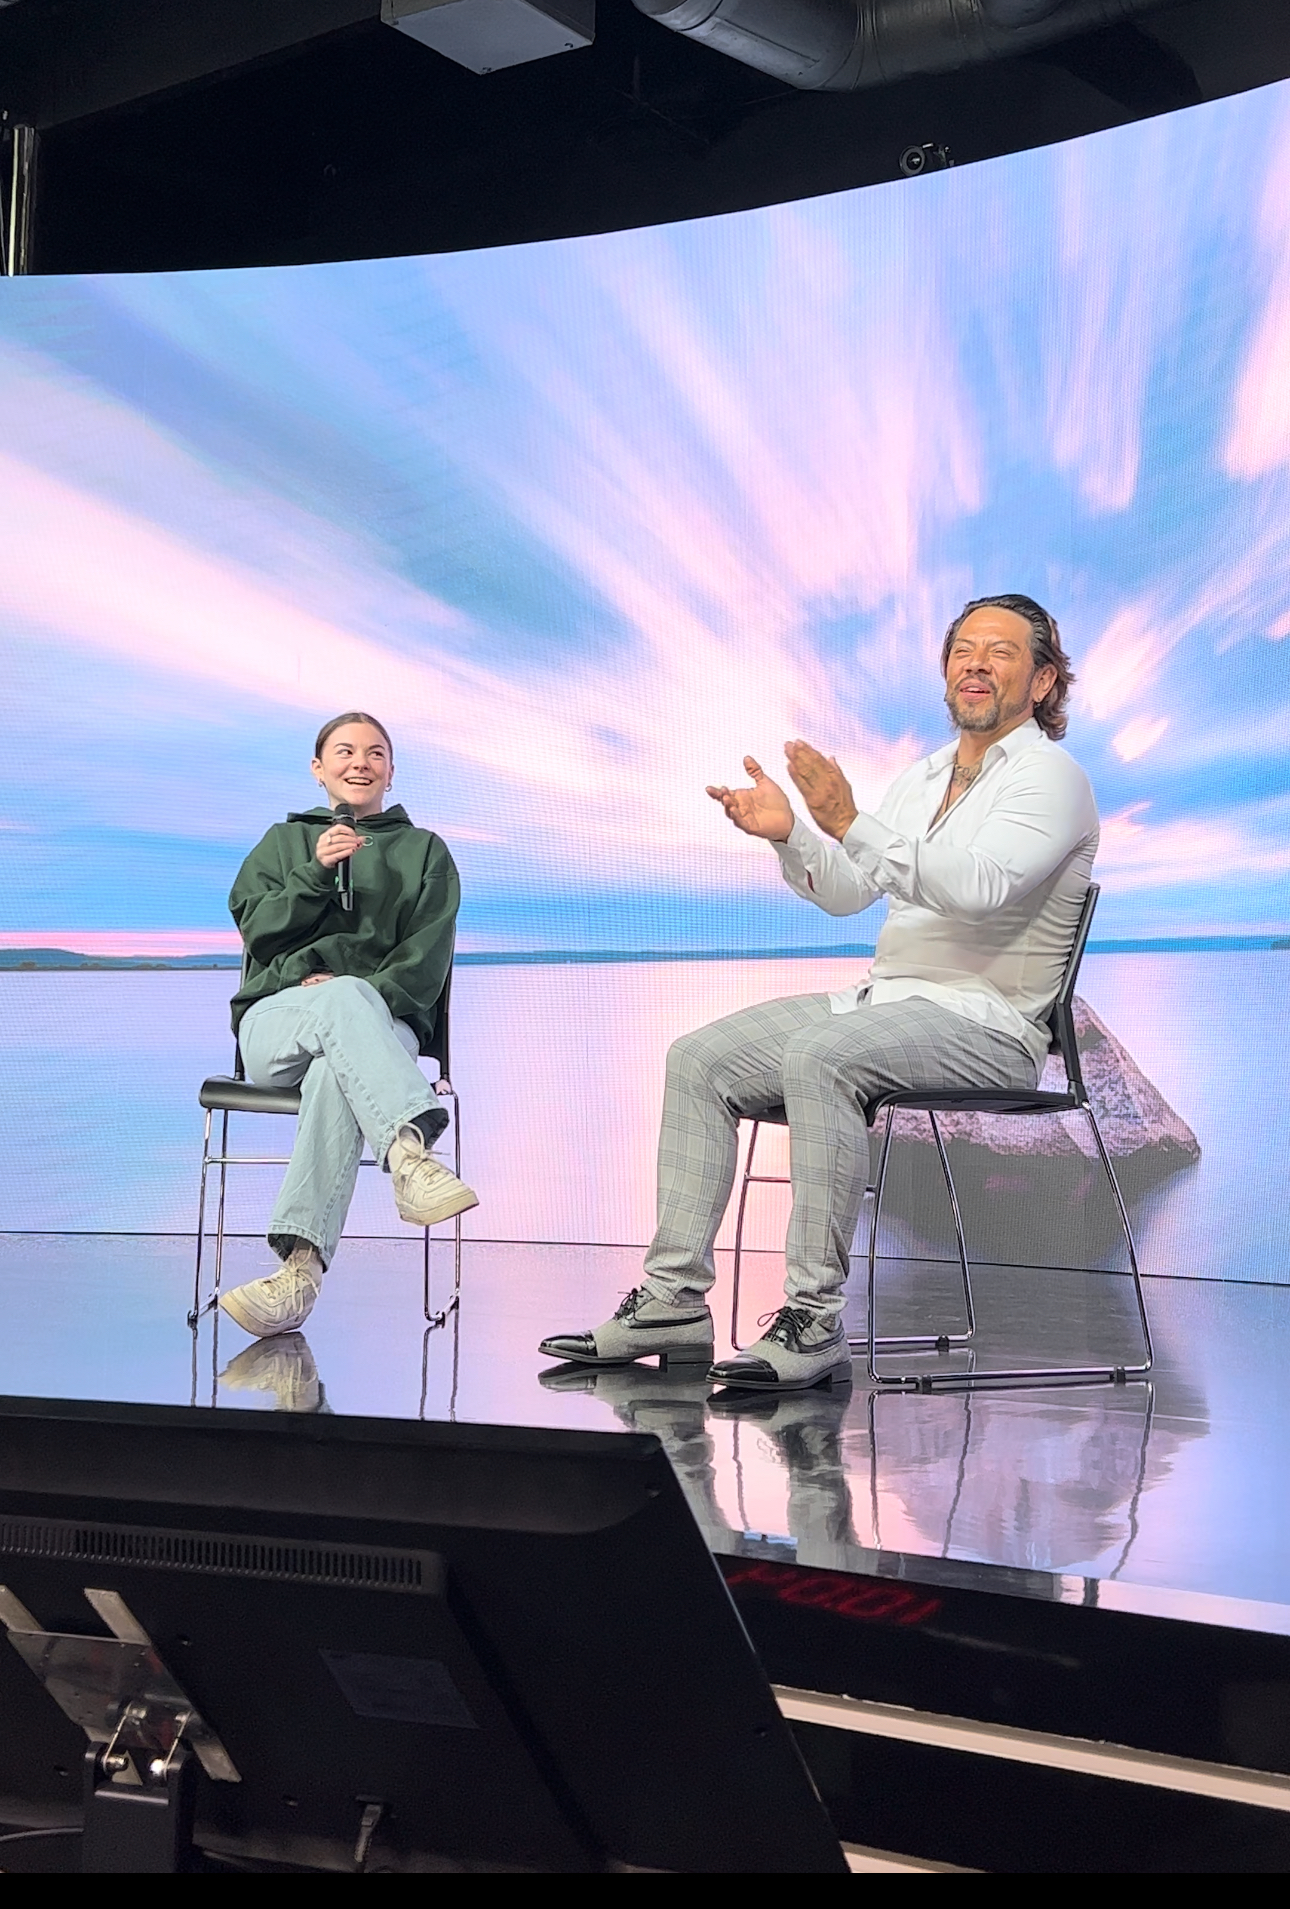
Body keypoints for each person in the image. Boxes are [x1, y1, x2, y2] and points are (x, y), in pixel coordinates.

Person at [540, 595, 1098, 1392]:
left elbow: (980, 889)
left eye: (1001, 652)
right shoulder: (927, 776)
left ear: (1043, 680)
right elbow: (847, 889)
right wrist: (795, 832)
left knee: (823, 1055)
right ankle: (671, 1302)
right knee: (698, 1059)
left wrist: (850, 820)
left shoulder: (1053, 780)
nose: (975, 663)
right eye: (963, 648)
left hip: (989, 1025)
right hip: (890, 1004)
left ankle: (812, 1318)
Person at [217, 712, 477, 1339]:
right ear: (318, 767)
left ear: (391, 770)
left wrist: (355, 995)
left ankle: (298, 1277)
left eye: (376, 753)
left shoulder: (426, 853)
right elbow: (258, 932)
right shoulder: (281, 844)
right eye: (345, 751)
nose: (360, 762)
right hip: (277, 1021)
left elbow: (424, 963)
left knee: (341, 1060)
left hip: (383, 1026)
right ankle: (409, 1154)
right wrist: (313, 872)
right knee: (337, 1011)